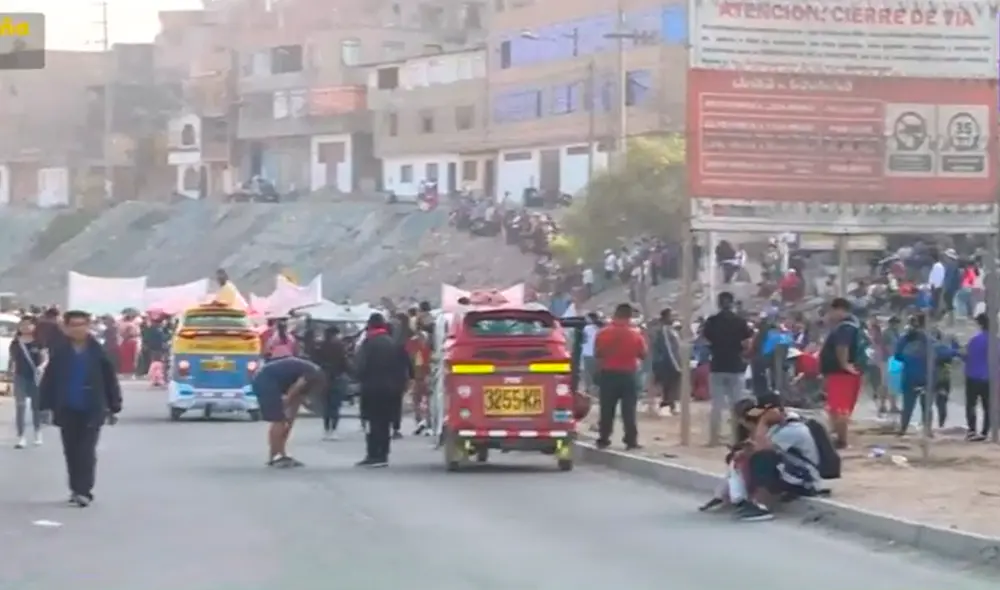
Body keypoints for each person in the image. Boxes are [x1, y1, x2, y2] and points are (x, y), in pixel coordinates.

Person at [38, 310, 122, 507]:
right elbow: (49, 380)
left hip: (92, 406)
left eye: (82, 324)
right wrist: (44, 406)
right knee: (71, 450)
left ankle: (84, 490)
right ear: (66, 328)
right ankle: (75, 488)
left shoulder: (98, 351)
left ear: (89, 326)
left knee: (86, 450)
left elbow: (109, 379)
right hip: (67, 406)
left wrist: (114, 406)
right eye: (74, 325)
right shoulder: (60, 351)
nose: (78, 329)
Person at [354, 313, 414, 467]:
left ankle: (373, 454)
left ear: (370, 326)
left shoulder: (368, 344)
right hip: (392, 389)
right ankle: (383, 454)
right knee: (386, 422)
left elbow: (359, 367)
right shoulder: (394, 343)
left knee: (373, 422)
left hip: (372, 389)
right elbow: (408, 365)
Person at [251, 355, 326, 467]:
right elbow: (296, 388)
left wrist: (290, 419)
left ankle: (281, 454)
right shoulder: (314, 373)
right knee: (278, 420)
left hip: (271, 380)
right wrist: (285, 403)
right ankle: (275, 456)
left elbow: (298, 398)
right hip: (266, 380)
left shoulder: (312, 377)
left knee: (284, 421)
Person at [702, 291, 754, 446]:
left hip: (717, 366)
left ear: (719, 303)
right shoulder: (740, 321)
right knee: (737, 405)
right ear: (731, 303)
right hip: (736, 366)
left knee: (716, 405)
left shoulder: (712, 321)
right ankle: (737, 437)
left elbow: (705, 341)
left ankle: (714, 438)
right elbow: (747, 343)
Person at [893, 312, 956, 436]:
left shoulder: (904, 338)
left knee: (908, 405)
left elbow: (897, 356)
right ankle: (927, 431)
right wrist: (957, 352)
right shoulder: (929, 339)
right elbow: (943, 353)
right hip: (925, 377)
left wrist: (909, 359)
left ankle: (903, 429)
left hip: (909, 376)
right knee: (926, 406)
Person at [593, 303, 646, 450]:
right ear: (629, 316)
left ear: (615, 314)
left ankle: (604, 438)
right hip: (629, 375)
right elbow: (643, 354)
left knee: (606, 408)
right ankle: (631, 440)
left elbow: (597, 353)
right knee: (629, 410)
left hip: (608, 374)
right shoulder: (635, 334)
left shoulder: (603, 333)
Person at [819, 297, 864, 448]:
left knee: (840, 408)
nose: (829, 315)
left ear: (839, 310)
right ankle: (838, 437)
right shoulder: (846, 326)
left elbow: (842, 346)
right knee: (835, 407)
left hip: (841, 374)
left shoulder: (846, 327)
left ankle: (841, 440)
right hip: (838, 373)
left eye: (831, 311)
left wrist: (844, 364)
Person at [9, 315, 46, 448]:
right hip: (20, 377)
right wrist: (11, 372)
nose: (25, 327)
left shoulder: (39, 342)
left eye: (29, 324)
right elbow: (13, 360)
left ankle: (37, 433)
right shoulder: (15, 343)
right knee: (20, 407)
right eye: (23, 324)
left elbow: (45, 358)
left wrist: (41, 367)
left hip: (35, 378)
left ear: (34, 326)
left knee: (36, 407)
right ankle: (21, 437)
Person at [313, 325, 349, 440]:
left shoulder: (320, 346)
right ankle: (333, 430)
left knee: (326, 406)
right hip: (337, 377)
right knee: (335, 406)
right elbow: (344, 362)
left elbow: (315, 361)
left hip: (323, 378)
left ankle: (326, 429)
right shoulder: (340, 346)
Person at [964, 312, 992, 441]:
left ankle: (972, 430)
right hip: (988, 378)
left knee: (971, 405)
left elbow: (967, 356)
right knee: (988, 407)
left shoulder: (974, 340)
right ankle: (985, 432)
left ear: (979, 324)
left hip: (972, 376)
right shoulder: (996, 341)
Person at [651, 308, 682, 416]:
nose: (673, 318)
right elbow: (668, 348)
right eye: (671, 316)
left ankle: (668, 405)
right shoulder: (664, 330)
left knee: (670, 386)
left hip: (673, 361)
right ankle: (667, 406)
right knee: (669, 385)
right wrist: (676, 364)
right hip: (668, 362)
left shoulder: (671, 330)